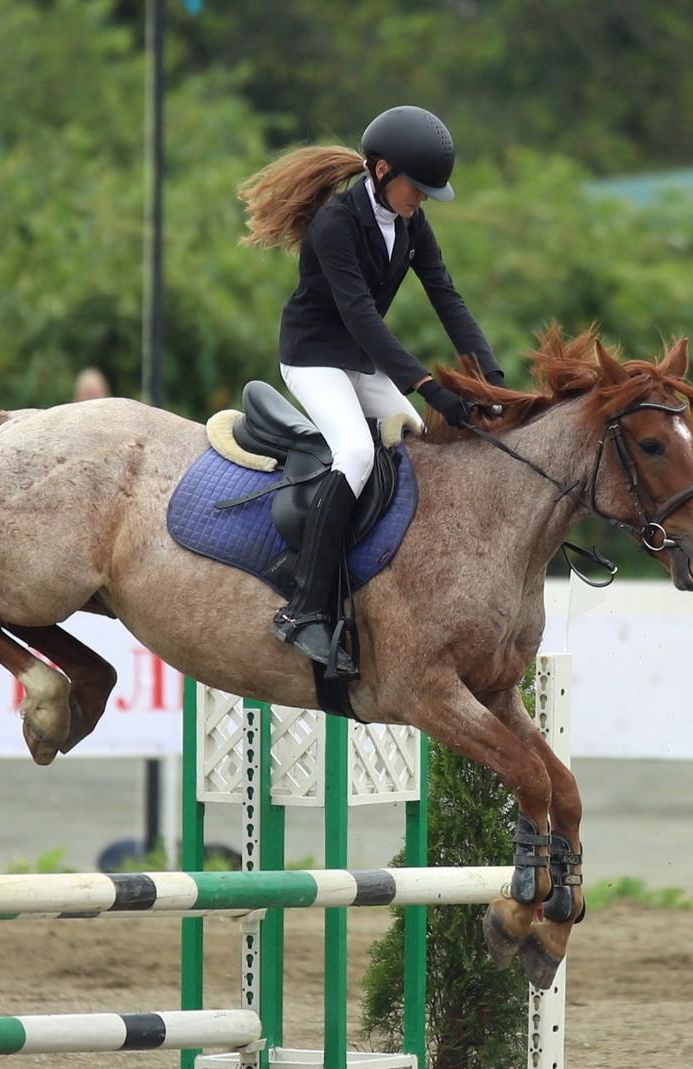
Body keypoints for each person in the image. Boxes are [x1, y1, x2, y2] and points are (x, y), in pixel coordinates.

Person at [237, 105, 503, 677]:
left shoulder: (410, 224)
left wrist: (489, 375)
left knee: (414, 441)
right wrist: (428, 385)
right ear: (381, 171)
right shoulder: (336, 224)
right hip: (313, 360)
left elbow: (447, 297)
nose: (425, 199)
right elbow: (361, 318)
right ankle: (305, 607)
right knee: (356, 452)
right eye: (419, 187)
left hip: (358, 362)